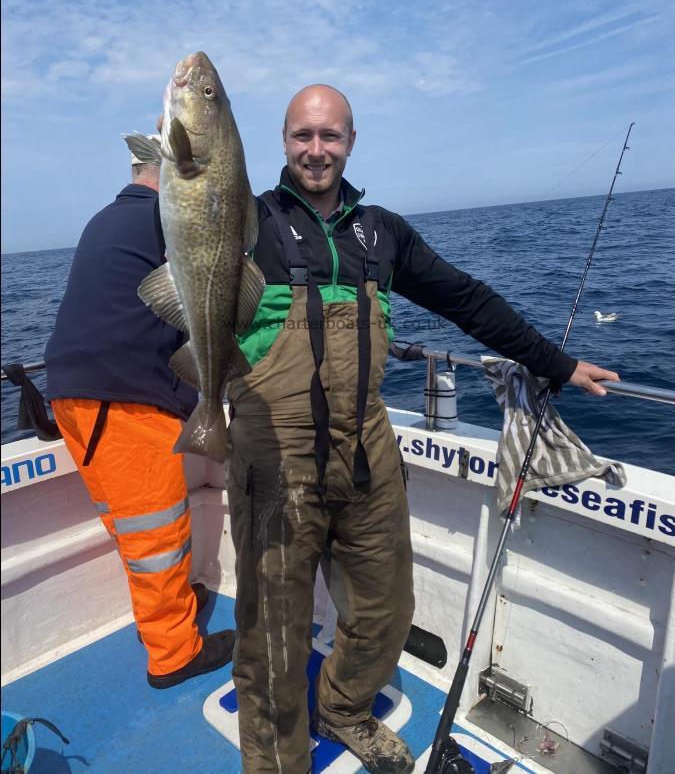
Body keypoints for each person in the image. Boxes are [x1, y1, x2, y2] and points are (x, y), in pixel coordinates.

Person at [225, 85, 620, 774]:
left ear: (351, 141)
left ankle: (343, 707)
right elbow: (179, 275)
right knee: (272, 635)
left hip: (366, 447)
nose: (316, 151)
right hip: (272, 452)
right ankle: (276, 763)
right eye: (302, 136)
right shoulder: (244, 223)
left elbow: (464, 298)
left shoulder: (381, 232)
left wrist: (554, 362)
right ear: (282, 142)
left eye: (330, 136)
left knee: (385, 607)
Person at [44, 135, 235, 689]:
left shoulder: (106, 218)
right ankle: (173, 652)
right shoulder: (164, 219)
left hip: (77, 400)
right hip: (123, 401)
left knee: (134, 528)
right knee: (158, 534)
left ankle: (171, 606)